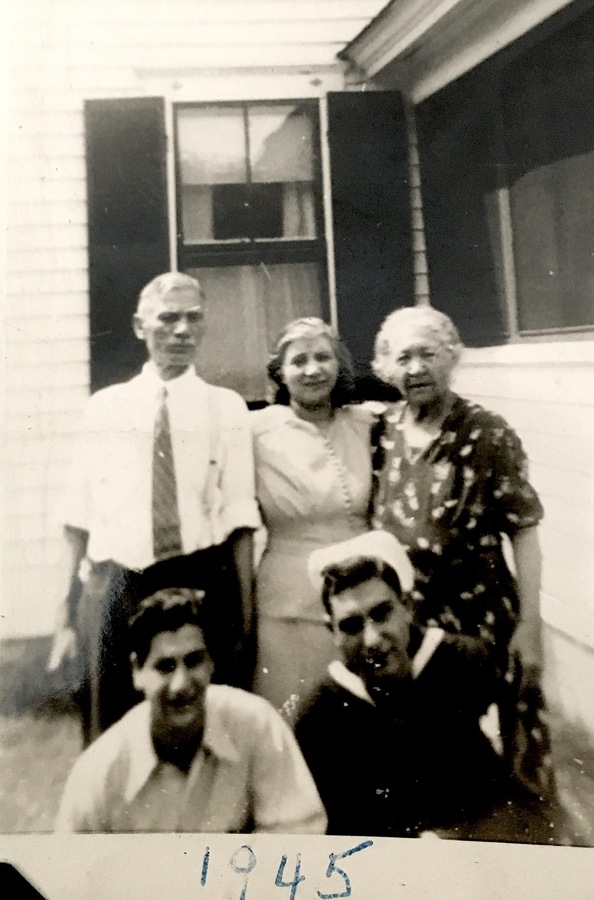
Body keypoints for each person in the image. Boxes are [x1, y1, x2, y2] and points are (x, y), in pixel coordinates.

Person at [48, 272, 261, 744]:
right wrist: (63, 615)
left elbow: (241, 521)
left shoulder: (225, 408)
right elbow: (77, 517)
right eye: (168, 318)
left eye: (193, 318)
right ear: (139, 326)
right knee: (112, 730)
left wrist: (245, 618)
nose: (182, 330)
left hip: (199, 579)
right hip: (116, 583)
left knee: (200, 726)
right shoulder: (105, 408)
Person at [370, 305, 553, 801]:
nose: (415, 369)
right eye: (403, 357)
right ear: (387, 367)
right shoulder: (381, 431)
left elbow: (525, 533)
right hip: (412, 623)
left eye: (427, 354)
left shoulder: (488, 432)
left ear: (451, 358)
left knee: (515, 776)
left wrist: (531, 627)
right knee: (437, 772)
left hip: (484, 618)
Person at [296, 531, 555, 841]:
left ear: (406, 606)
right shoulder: (321, 714)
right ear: (333, 632)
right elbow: (339, 830)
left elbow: (514, 794)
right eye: (351, 625)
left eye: (382, 613)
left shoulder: (466, 663)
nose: (373, 639)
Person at [55, 589, 327, 833]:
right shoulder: (102, 770)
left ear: (211, 663)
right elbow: (73, 872)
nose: (181, 685)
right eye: (165, 666)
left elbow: (298, 831)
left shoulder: (256, 724)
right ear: (137, 671)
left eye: (194, 660)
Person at [251, 317, 374, 722]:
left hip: (363, 597)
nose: (312, 369)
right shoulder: (255, 432)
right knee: (293, 721)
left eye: (323, 357)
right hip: (288, 605)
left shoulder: (368, 424)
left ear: (339, 366)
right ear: (280, 373)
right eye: (298, 360)